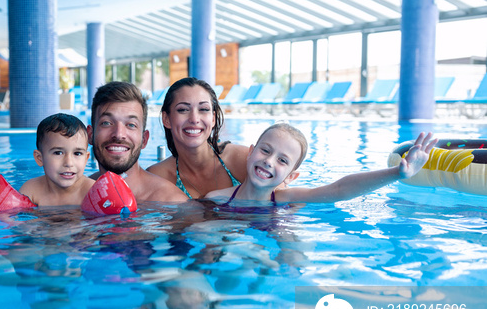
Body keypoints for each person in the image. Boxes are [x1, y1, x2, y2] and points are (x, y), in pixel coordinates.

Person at [206, 122, 437, 204]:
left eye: (282, 160)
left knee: (294, 253)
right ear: (250, 152)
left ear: (290, 177)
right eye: (265, 150)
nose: (268, 161)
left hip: (275, 239)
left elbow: (338, 190)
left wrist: (397, 174)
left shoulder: (286, 199)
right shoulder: (216, 199)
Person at [147, 77, 251, 199]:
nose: (194, 119)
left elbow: (278, 196)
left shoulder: (242, 160)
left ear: (213, 119)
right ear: (166, 119)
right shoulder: (158, 177)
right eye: (183, 110)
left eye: (203, 109)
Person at [87, 81, 188, 202]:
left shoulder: (172, 202)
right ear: (90, 134)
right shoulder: (78, 196)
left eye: (131, 125)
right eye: (107, 123)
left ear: (144, 139)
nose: (119, 134)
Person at [19, 113, 95, 206]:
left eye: (77, 153)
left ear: (86, 159)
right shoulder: (31, 191)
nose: (69, 163)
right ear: (40, 158)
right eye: (58, 153)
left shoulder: (92, 191)